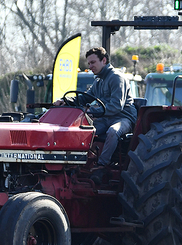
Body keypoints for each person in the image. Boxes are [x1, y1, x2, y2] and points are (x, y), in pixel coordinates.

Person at [54, 47, 137, 184]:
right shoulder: (99, 81)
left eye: (93, 62)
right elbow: (85, 98)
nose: (90, 66)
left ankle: (101, 166)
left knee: (113, 131)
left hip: (123, 117)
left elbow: (116, 106)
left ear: (103, 60)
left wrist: (92, 111)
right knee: (83, 130)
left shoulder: (116, 78)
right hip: (106, 117)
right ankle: (78, 163)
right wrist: (65, 102)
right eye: (89, 63)